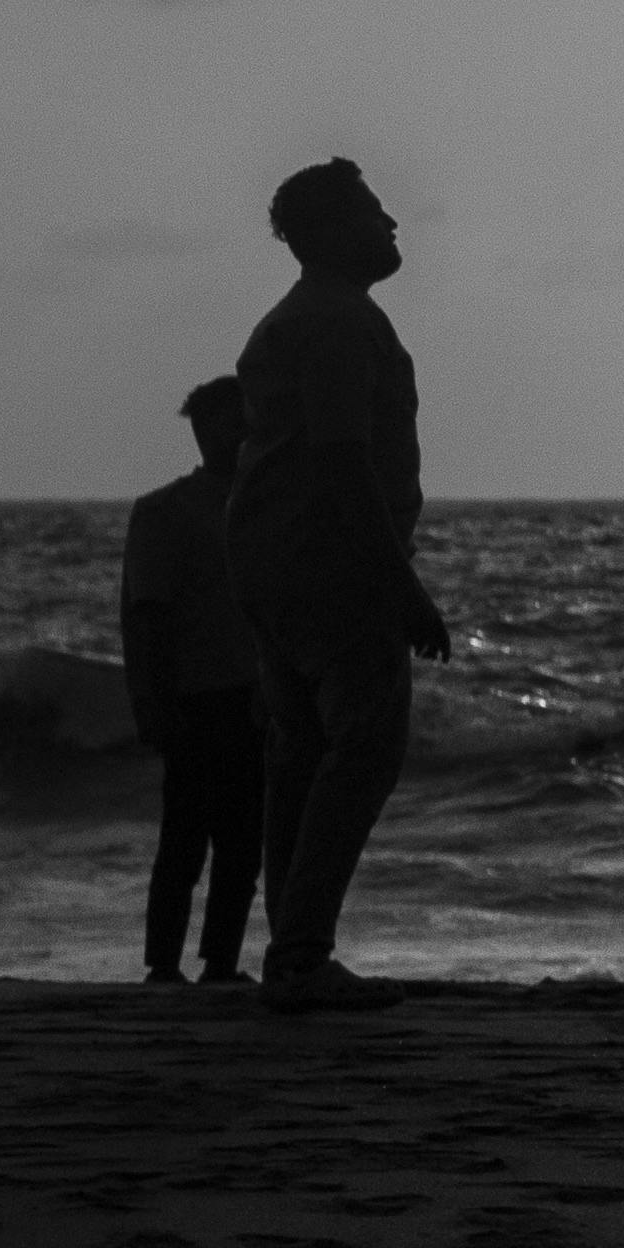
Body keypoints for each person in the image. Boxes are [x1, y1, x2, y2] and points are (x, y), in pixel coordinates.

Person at [223, 156, 449, 1012]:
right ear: (326, 233)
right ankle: (301, 953)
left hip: (274, 564)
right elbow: (343, 464)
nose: (391, 226)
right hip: (331, 567)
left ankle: (291, 953)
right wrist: (404, 588)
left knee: (302, 758)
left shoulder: (305, 319)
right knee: (360, 753)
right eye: (371, 213)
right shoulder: (335, 324)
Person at [119, 375, 264, 984]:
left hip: (257, 695)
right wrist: (150, 700)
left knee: (243, 843)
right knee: (184, 838)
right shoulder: (164, 511)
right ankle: (162, 962)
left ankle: (221, 961)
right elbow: (145, 615)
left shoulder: (269, 502)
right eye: (222, 422)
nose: (233, 434)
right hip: (196, 694)